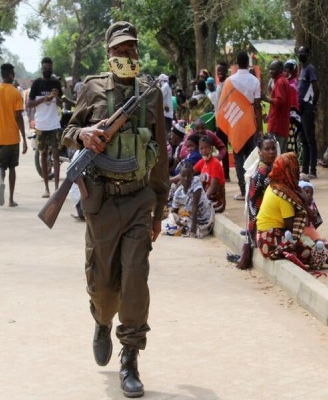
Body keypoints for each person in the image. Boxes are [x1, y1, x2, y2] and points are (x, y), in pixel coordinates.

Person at [61, 21, 168, 398]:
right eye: (120, 51)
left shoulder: (150, 95)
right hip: (103, 202)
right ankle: (102, 321)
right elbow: (67, 133)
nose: (127, 56)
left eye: (132, 49)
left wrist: (158, 211)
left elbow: (161, 155)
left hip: (139, 198)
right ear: (109, 53)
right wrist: (83, 135)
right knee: (104, 288)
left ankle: (130, 358)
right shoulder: (91, 88)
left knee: (135, 279)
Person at [218, 51, 263, 201]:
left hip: (236, 122)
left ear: (237, 63)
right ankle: (254, 190)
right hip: (250, 122)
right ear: (248, 63)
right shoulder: (255, 81)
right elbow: (257, 106)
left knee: (238, 156)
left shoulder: (229, 81)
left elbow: (223, 105)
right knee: (253, 157)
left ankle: (243, 191)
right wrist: (260, 128)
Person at [0, 63, 28, 208]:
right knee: (12, 168)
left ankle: (1, 181)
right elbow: (19, 116)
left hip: (0, 138)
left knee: (1, 165)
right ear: (10, 75)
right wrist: (24, 138)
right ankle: (10, 199)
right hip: (13, 138)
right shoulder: (16, 93)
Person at [237, 135, 278, 270]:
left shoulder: (261, 168)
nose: (271, 152)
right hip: (261, 226)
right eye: (267, 149)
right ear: (260, 152)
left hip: (253, 224)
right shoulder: (266, 173)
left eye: (273, 148)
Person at [27, 57, 63, 198]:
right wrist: (44, 99)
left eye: (49, 68)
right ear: (41, 68)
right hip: (41, 124)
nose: (47, 70)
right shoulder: (37, 83)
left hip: (54, 124)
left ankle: (56, 188)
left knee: (56, 155)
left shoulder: (56, 83)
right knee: (43, 154)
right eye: (45, 68)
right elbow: (30, 104)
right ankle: (46, 188)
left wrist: (56, 97)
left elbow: (61, 104)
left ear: (52, 68)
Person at [168, 161, 215, 238]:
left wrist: (193, 230)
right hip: (193, 220)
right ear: (179, 176)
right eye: (183, 176)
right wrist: (176, 219)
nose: (186, 178)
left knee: (195, 233)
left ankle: (193, 228)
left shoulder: (196, 182)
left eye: (189, 176)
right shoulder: (178, 193)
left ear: (192, 175)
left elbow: (194, 206)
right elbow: (174, 211)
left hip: (206, 220)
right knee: (170, 223)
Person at [297, 46, 320, 178]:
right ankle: (304, 169)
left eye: (303, 52)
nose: (301, 55)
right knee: (304, 140)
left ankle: (313, 170)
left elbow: (317, 89)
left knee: (310, 139)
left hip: (307, 108)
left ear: (308, 54)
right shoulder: (301, 70)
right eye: (299, 53)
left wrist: (313, 104)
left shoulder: (310, 69)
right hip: (301, 109)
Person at [262, 60, 291, 152]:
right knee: (281, 155)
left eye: (273, 69)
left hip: (277, 126)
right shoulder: (284, 81)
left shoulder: (279, 82)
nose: (270, 72)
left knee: (275, 155)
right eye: (270, 69)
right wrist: (269, 116)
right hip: (282, 125)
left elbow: (280, 101)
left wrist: (265, 98)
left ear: (280, 70)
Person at [194, 136, 226, 213]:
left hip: (216, 201)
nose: (204, 150)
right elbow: (189, 172)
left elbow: (213, 187)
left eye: (206, 147)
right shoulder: (202, 162)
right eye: (201, 148)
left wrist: (201, 200)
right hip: (206, 197)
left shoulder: (215, 163)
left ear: (211, 148)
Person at [215, 61, 230, 181]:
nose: (220, 73)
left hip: (225, 121)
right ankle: (225, 174)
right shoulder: (219, 84)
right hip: (218, 120)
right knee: (222, 146)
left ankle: (226, 174)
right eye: (218, 71)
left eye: (222, 71)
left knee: (224, 146)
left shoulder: (227, 84)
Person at [284, 59, 301, 155]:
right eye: (284, 71)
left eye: (288, 71)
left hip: (291, 119)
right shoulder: (291, 83)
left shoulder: (291, 86)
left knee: (291, 142)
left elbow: (294, 105)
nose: (285, 73)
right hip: (289, 118)